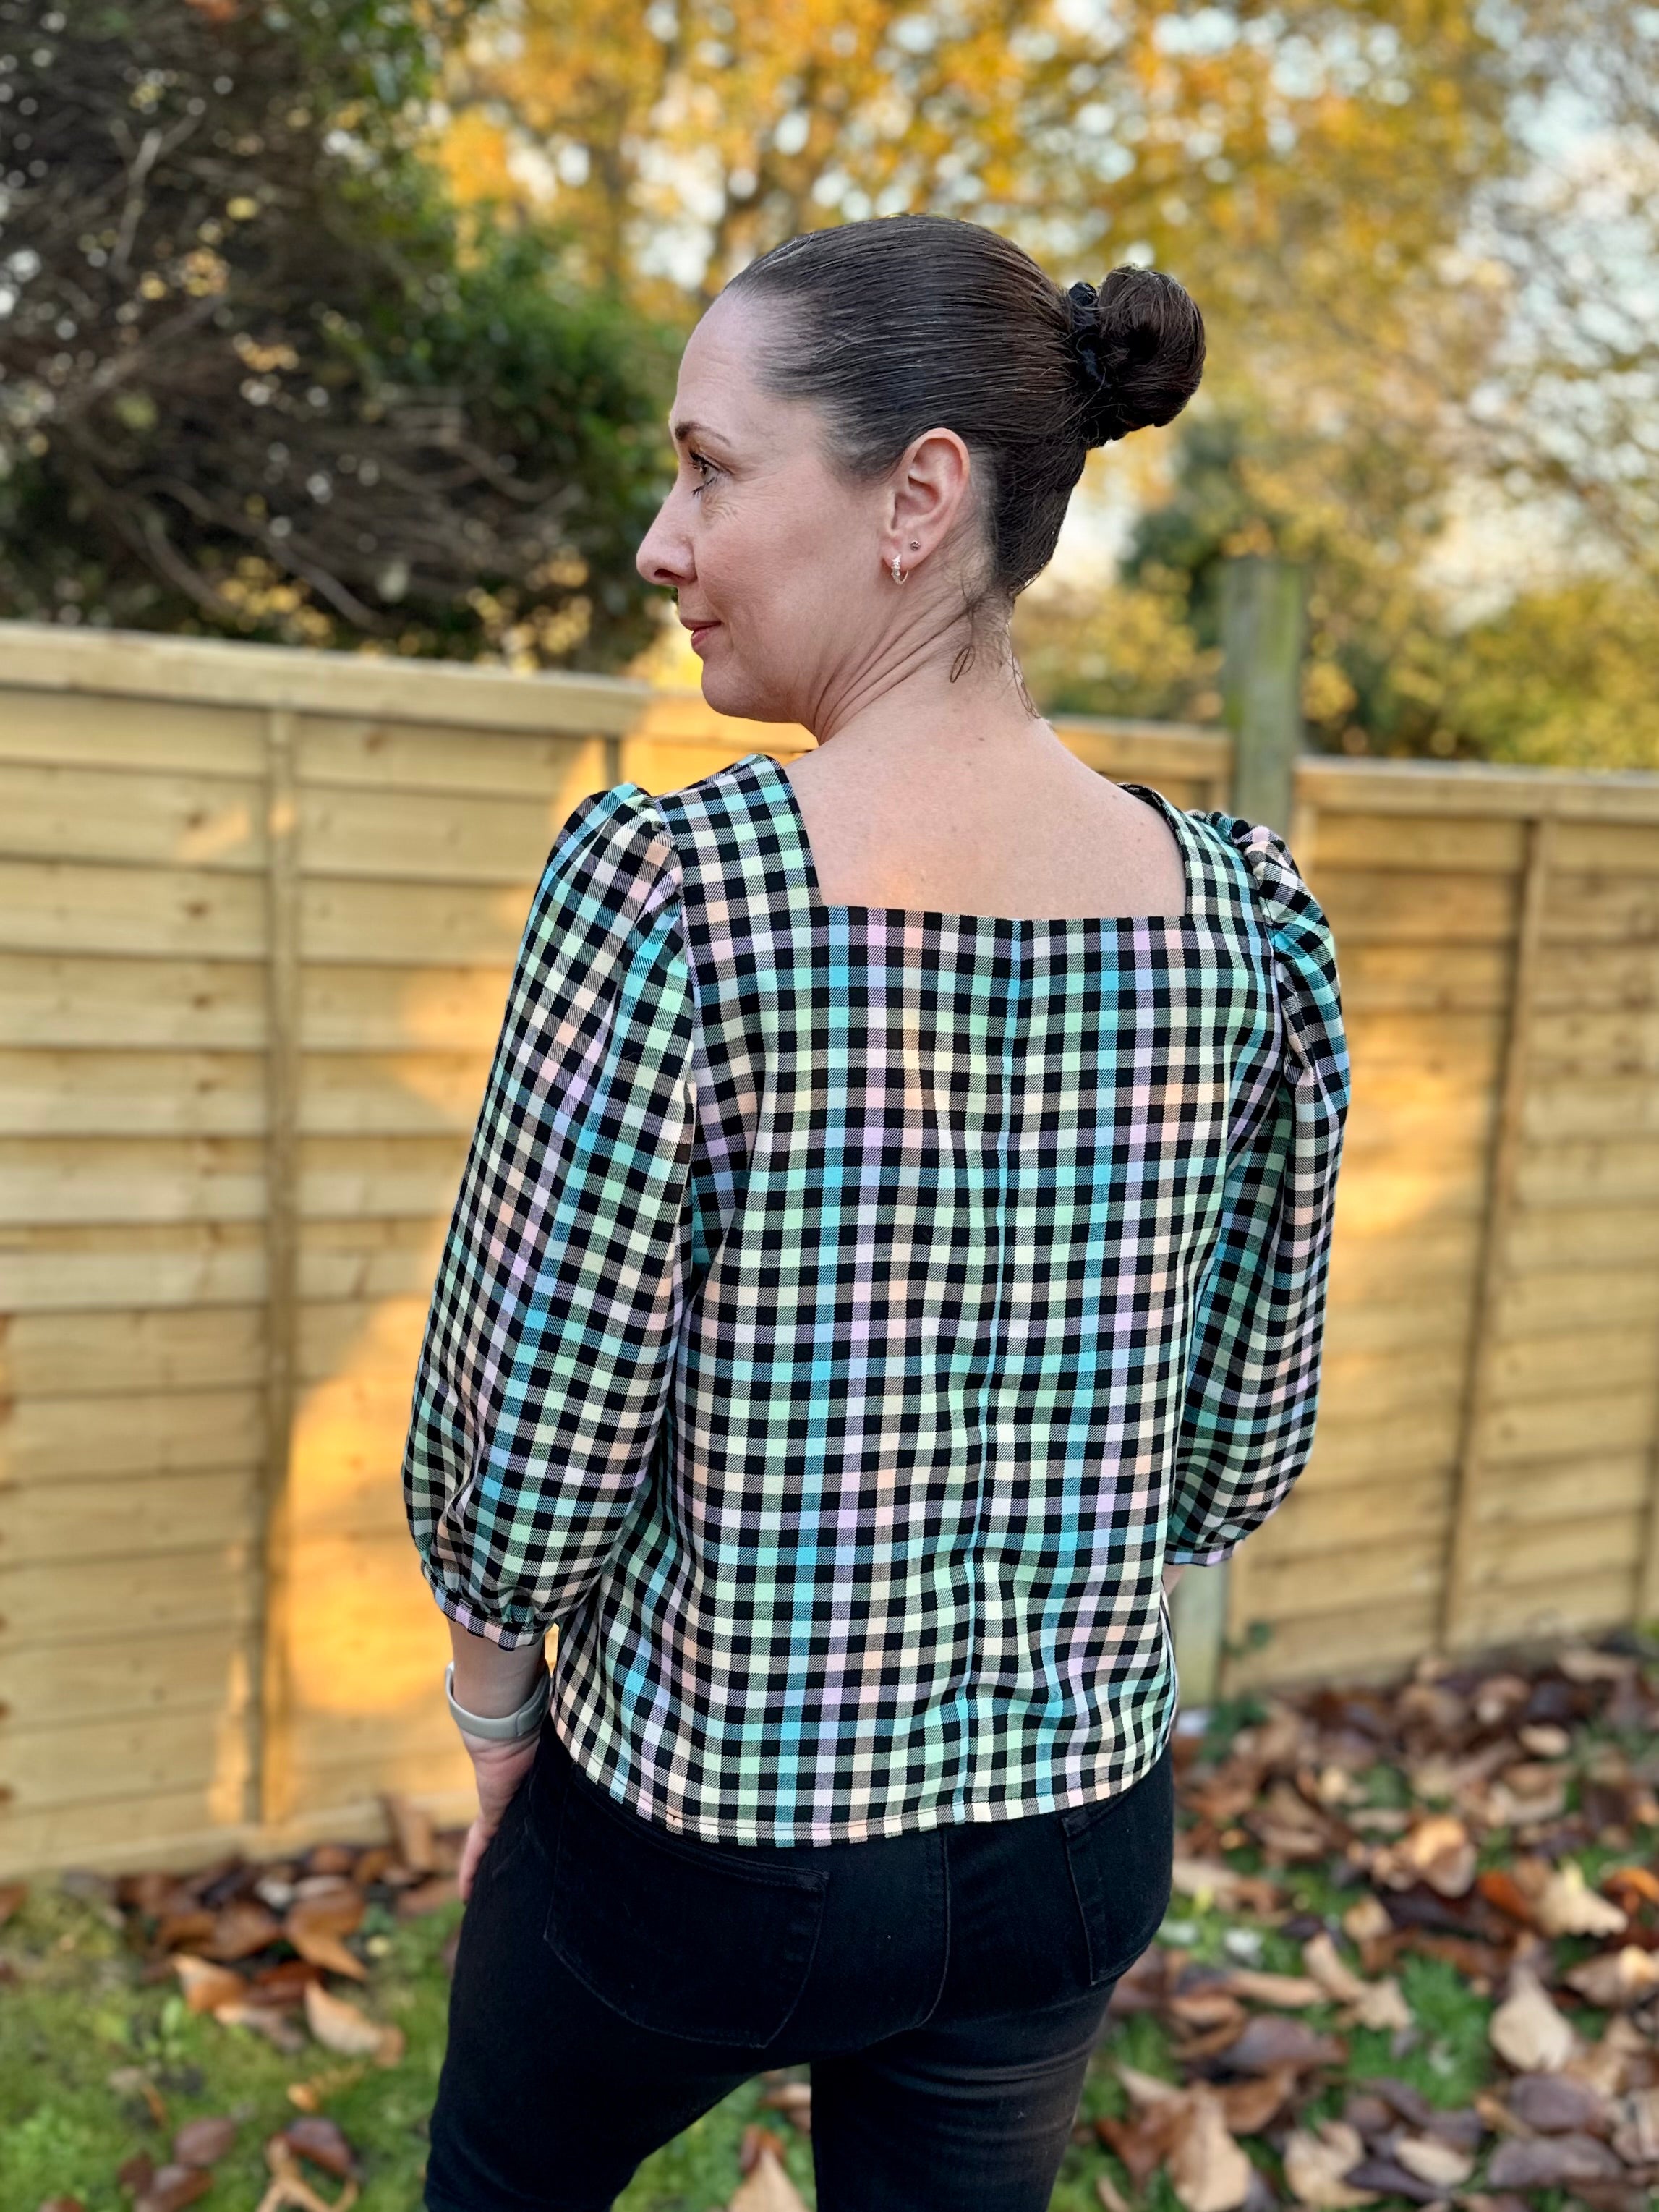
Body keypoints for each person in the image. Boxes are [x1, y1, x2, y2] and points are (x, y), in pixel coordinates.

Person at [401, 211, 1349, 2212]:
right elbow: (1236, 1453)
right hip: (1073, 1842)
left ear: (919, 495)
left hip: (700, 1847)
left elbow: (527, 1464)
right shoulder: (1249, 924)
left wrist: (496, 1720)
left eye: (709, 468)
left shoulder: (676, 895)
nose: (662, 540)